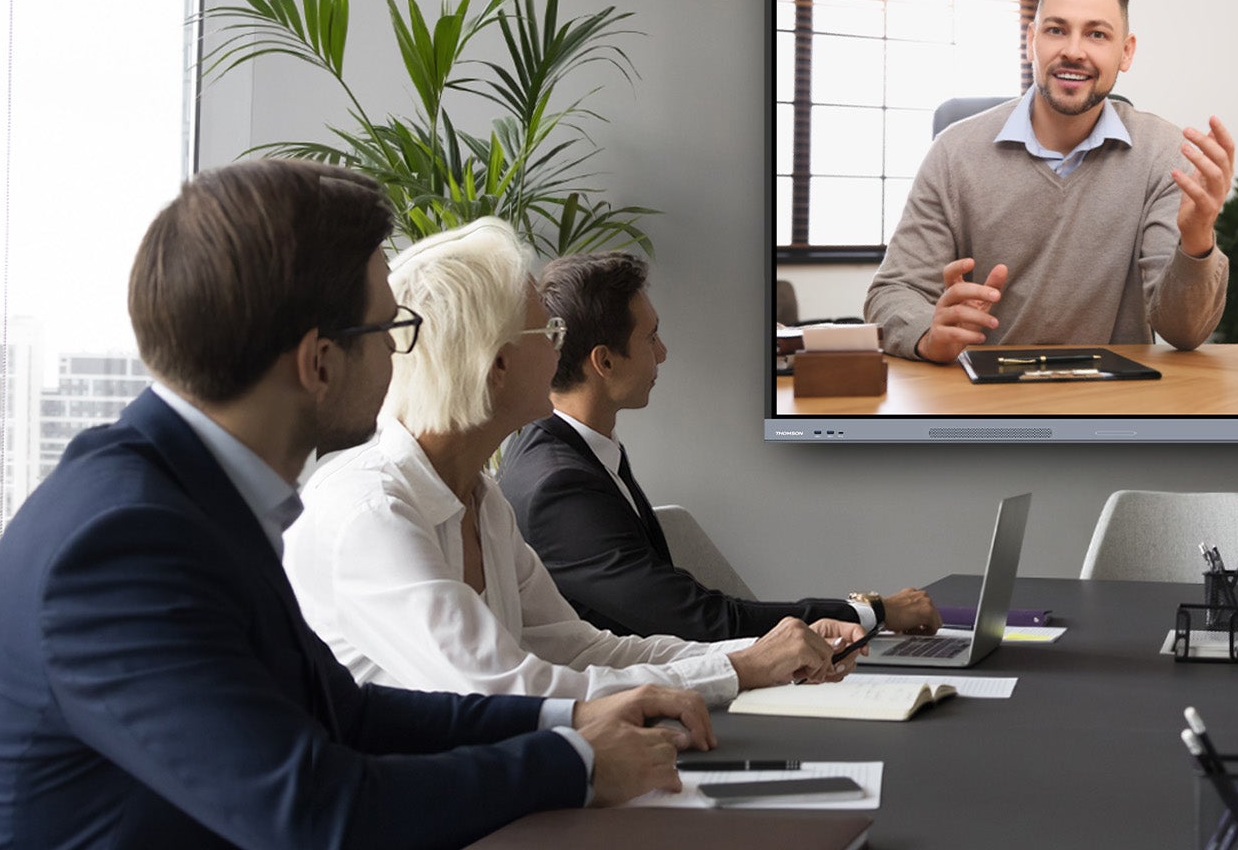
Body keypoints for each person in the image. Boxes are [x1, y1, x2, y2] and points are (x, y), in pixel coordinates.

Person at [0, 161, 706, 848]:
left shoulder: (191, 495)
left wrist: (570, 724)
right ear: (319, 363)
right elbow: (311, 814)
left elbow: (350, 716)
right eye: (391, 328)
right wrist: (571, 763)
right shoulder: (125, 544)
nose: (407, 352)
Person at [287, 219, 862, 707]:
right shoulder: (372, 514)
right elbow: (506, 693)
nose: (563, 349)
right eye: (550, 330)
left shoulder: (480, 501)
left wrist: (759, 653)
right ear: (496, 365)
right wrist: (742, 669)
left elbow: (583, 648)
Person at [503, 250, 944, 642]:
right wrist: (872, 612)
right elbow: (699, 620)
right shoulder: (559, 488)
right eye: (650, 337)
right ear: (604, 361)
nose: (663, 353)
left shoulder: (581, 451)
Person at [864, 0, 1232, 363]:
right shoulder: (954, 153)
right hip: (988, 401)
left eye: (1097, 35)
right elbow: (891, 293)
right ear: (1031, 41)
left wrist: (1197, 238)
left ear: (1125, 53)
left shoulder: (1165, 152)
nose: (1073, 52)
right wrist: (929, 334)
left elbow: (1183, 331)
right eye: (1057, 30)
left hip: (1116, 404)